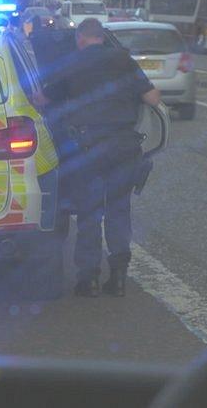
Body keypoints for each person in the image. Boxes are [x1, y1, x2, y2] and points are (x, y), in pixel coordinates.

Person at [42, 18, 161, 298]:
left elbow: (45, 100)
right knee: (119, 210)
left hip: (88, 146)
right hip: (124, 145)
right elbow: (153, 99)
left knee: (89, 213)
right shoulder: (123, 60)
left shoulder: (72, 62)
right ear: (101, 37)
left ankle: (89, 279)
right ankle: (118, 277)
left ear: (81, 39)